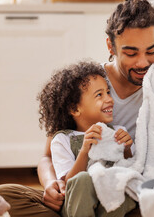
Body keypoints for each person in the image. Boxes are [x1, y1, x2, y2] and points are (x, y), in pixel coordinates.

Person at [0, 0, 154, 216]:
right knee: (1, 195)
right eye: (131, 52)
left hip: (130, 192)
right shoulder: (91, 84)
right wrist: (52, 184)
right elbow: (47, 155)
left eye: (151, 51)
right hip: (81, 188)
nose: (143, 62)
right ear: (111, 47)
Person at [37, 61, 136, 216]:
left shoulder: (118, 132)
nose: (109, 99)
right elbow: (70, 183)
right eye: (99, 95)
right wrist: (84, 151)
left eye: (108, 92)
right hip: (77, 204)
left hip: (108, 201)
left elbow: (130, 165)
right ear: (75, 109)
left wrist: (127, 149)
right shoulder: (63, 140)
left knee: (122, 182)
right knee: (83, 179)